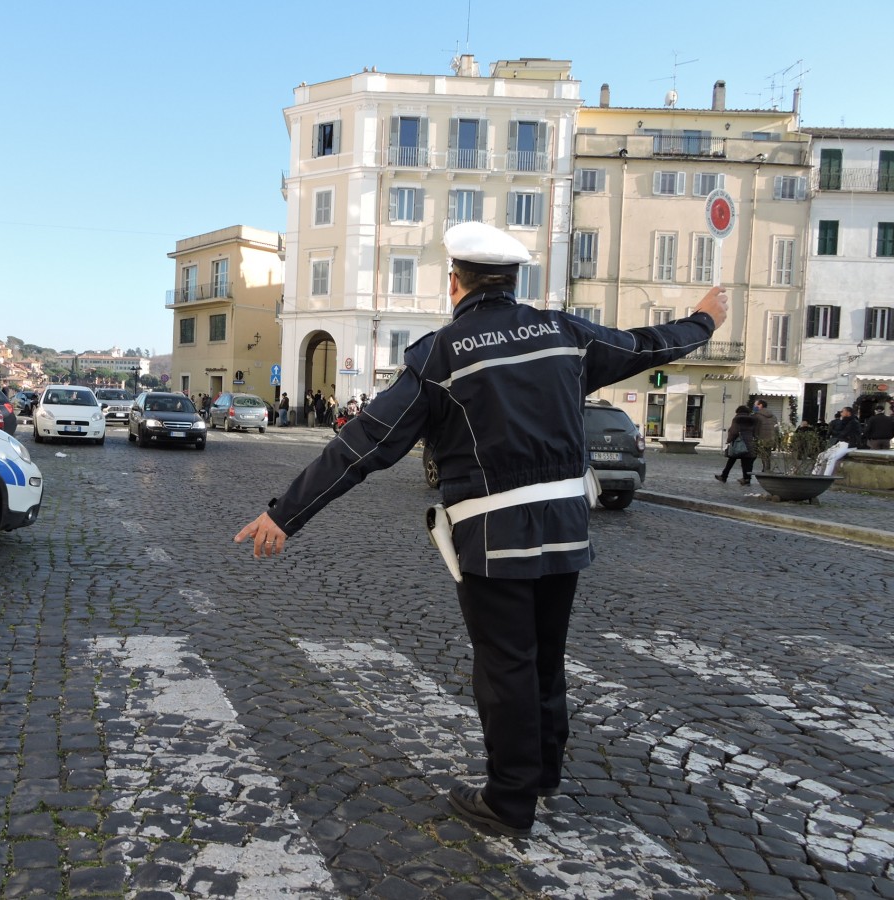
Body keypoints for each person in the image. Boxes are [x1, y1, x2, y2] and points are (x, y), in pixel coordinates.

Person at [233, 222, 728, 838]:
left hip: (493, 534)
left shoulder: (440, 356)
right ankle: (542, 772)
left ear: (454, 282)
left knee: (505, 666)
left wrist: (286, 513)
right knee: (546, 659)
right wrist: (704, 320)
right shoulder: (564, 333)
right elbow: (647, 344)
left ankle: (510, 800)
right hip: (568, 525)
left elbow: (366, 445)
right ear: (514, 280)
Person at [715, 405, 758, 485]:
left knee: (731, 460)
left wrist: (729, 440)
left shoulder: (737, 419)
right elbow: (755, 432)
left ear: (738, 411)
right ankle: (747, 479)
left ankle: (724, 476)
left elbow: (733, 431)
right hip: (749, 442)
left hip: (738, 442)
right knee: (747, 462)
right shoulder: (752, 420)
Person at [752, 399, 778, 472]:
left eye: (755, 404)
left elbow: (754, 428)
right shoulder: (773, 416)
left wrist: (754, 437)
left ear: (760, 405)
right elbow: (776, 428)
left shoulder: (756, 415)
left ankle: (747, 475)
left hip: (760, 439)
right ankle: (767, 469)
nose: (754, 406)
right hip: (770, 439)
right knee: (767, 455)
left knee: (752, 456)